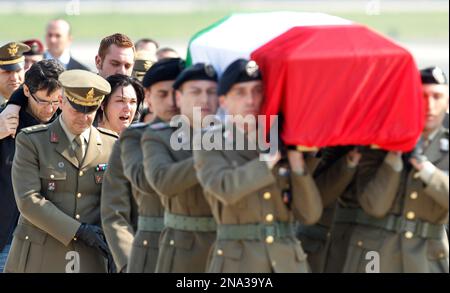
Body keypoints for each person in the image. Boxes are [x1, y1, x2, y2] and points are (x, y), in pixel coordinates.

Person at [193, 59, 323, 273]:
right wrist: (268, 160)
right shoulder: (209, 142)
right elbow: (225, 188)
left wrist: (297, 162)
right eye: (240, 93)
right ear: (223, 100)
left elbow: (309, 214)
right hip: (239, 264)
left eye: (257, 91)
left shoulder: (281, 141)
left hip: (288, 263)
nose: (251, 100)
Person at [330, 67, 449, 273]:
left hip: (426, 256)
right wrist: (393, 158)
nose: (430, 105)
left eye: (437, 96)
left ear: (447, 102)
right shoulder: (379, 145)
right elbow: (374, 205)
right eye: (422, 96)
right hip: (376, 254)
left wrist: (425, 169)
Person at [4, 70, 117, 273]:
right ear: (61, 101)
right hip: (40, 257)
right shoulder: (32, 141)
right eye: (77, 108)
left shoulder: (112, 144)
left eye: (90, 109)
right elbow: (28, 200)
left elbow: (119, 202)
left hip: (92, 258)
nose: (83, 116)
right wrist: (78, 230)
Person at [141, 63, 218, 273]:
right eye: (195, 91)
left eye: (212, 92)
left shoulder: (232, 134)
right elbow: (163, 181)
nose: (205, 99)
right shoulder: (159, 135)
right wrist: (211, 152)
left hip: (228, 249)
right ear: (179, 97)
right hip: (184, 250)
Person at [121, 58, 184, 273]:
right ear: (147, 97)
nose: (172, 102)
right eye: (162, 94)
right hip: (151, 248)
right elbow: (144, 181)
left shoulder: (204, 135)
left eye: (177, 93)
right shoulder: (135, 137)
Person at [0, 59, 64, 272]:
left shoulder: (66, 120)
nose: (50, 109)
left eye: (57, 101)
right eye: (44, 101)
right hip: (7, 240)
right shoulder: (5, 121)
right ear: (26, 90)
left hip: (54, 239)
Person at [99, 74, 144, 273]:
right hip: (91, 248)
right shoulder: (86, 142)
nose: (128, 108)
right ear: (102, 105)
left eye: (133, 102)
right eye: (120, 101)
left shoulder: (143, 144)